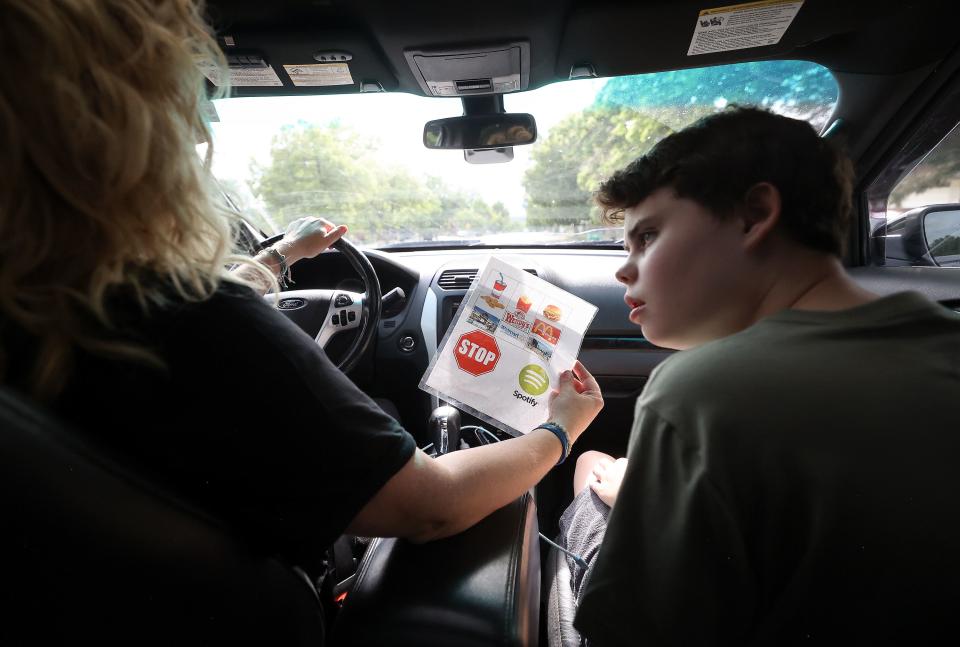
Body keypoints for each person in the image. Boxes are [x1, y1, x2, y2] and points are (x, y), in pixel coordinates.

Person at [0, 0, 603, 589]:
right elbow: (434, 505)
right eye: (191, 92)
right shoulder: (198, 326)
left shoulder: (47, 311)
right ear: (136, 126)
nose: (202, 120)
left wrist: (281, 257)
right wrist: (559, 429)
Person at [562, 107, 960, 645]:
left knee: (591, 471)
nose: (623, 269)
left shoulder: (696, 393)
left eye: (648, 237)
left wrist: (642, 502)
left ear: (754, 215)